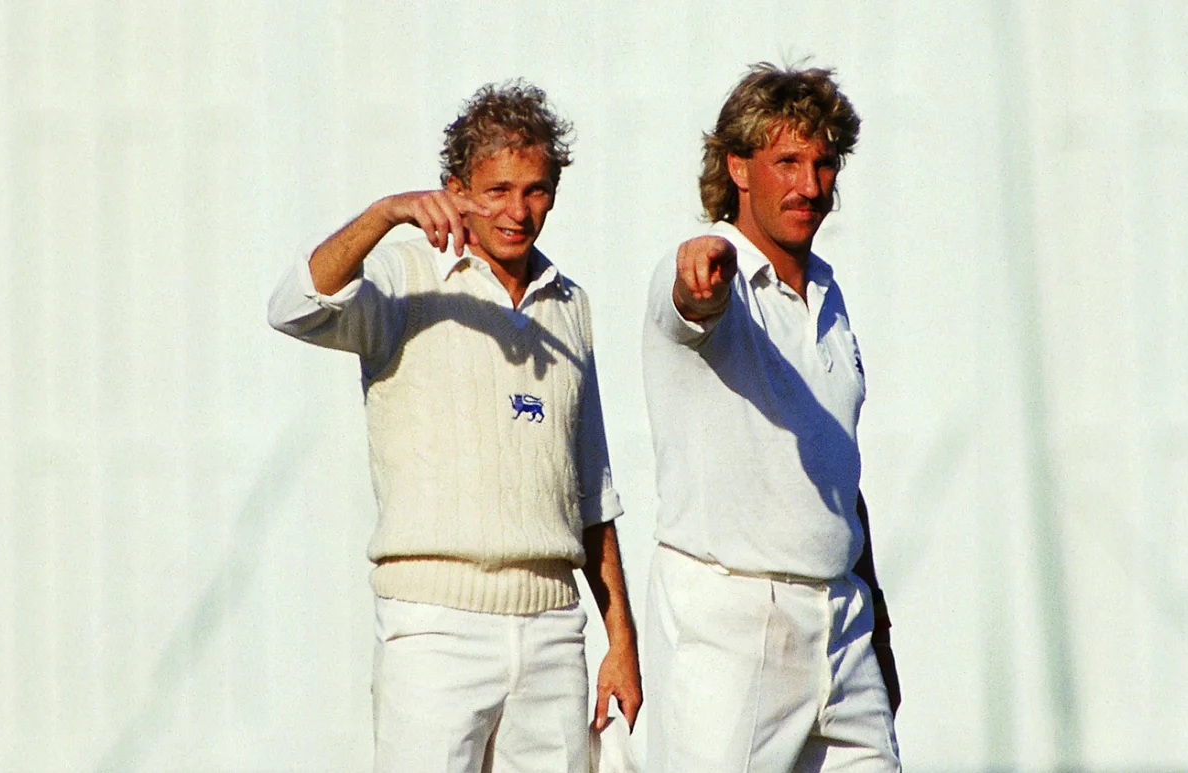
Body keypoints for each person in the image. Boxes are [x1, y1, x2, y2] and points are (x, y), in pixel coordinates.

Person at [268, 80, 641, 773]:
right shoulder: (403, 278)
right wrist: (385, 214)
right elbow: (294, 305)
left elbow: (592, 487)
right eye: (496, 189)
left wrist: (621, 640)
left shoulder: (569, 303)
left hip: (554, 629)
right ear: (455, 187)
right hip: (434, 623)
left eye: (534, 189)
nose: (518, 210)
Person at [641, 62, 902, 773]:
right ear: (739, 166)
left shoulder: (828, 290)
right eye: (787, 161)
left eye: (823, 164)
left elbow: (837, 466)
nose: (810, 185)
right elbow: (689, 302)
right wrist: (697, 277)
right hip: (736, 626)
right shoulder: (710, 269)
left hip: (842, 625)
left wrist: (875, 623)